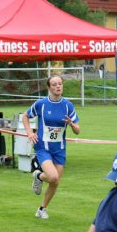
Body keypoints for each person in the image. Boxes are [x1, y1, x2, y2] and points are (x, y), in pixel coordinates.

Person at [22, 75, 80, 219]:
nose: (58, 87)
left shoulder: (68, 105)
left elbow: (78, 130)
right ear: (49, 87)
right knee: (53, 177)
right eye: (54, 84)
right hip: (43, 147)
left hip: (59, 149)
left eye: (60, 84)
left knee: (55, 182)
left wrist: (71, 124)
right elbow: (25, 116)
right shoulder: (41, 104)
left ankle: (42, 209)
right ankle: (40, 176)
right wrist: (29, 132)